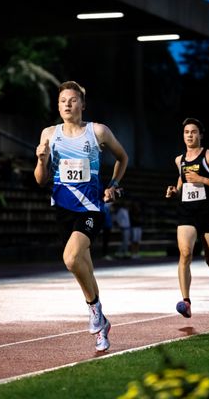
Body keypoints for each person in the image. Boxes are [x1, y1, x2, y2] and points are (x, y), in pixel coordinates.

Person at [34, 80, 128, 352]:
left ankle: (94, 310)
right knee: (82, 266)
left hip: (91, 208)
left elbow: (123, 157)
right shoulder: (50, 134)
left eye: (73, 100)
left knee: (71, 258)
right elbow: (41, 180)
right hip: (62, 209)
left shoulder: (97, 131)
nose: (67, 104)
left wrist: (112, 184)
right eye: (63, 100)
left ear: (82, 105)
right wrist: (41, 159)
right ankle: (102, 324)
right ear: (58, 104)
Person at [165, 117, 209, 318]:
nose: (190, 136)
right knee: (185, 253)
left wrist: (202, 179)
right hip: (186, 213)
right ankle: (186, 302)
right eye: (186, 132)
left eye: (193, 132)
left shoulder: (208, 155)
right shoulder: (180, 160)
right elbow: (182, 183)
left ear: (200, 135)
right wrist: (174, 191)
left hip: (207, 213)